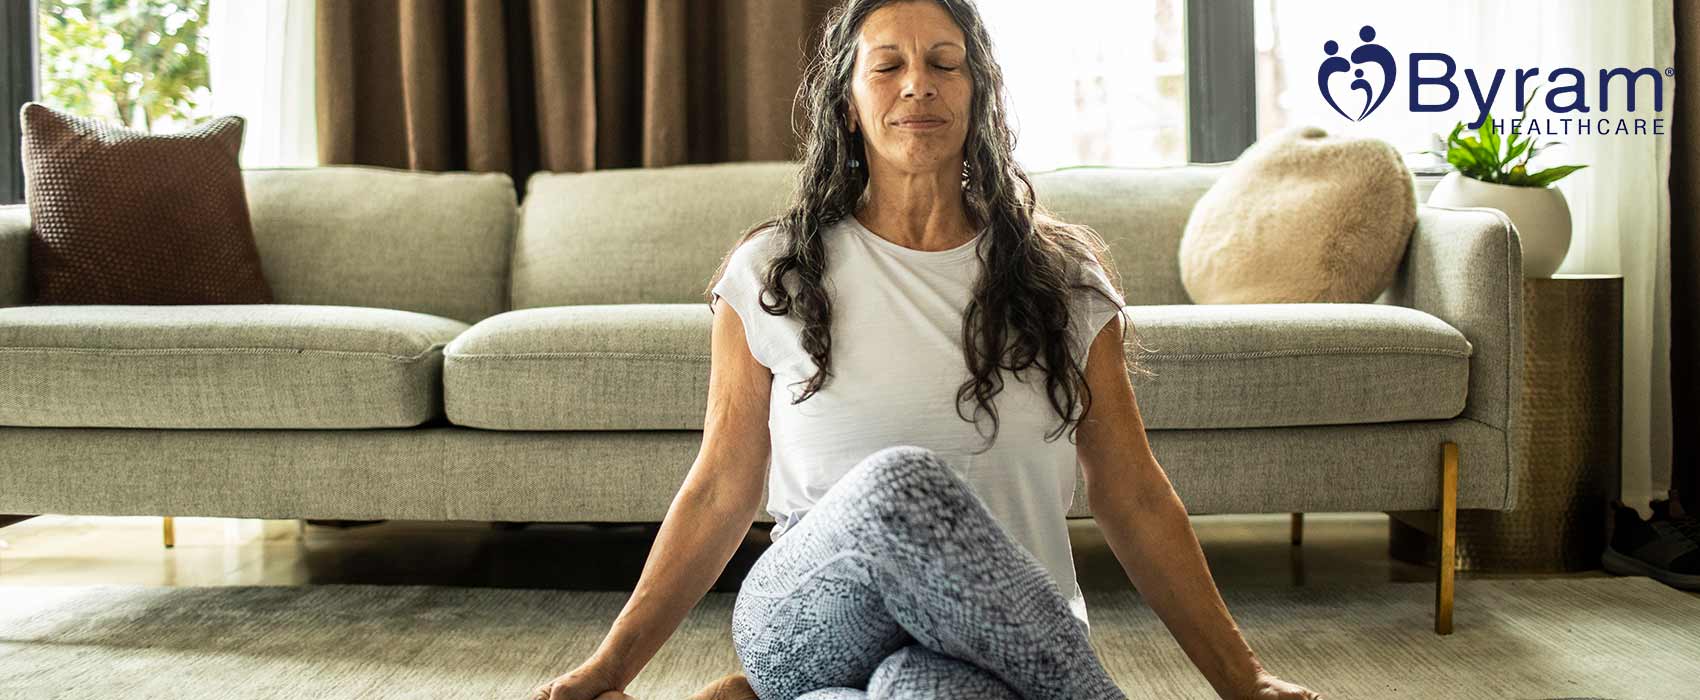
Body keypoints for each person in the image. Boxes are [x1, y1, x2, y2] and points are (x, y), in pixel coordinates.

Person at [531, 1, 1324, 698]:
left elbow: (1134, 494)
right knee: (904, 481)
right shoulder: (775, 271)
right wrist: (611, 667)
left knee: (921, 690)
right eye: (889, 66)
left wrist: (1245, 680)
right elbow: (718, 491)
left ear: (977, 97)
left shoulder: (1065, 282)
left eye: (946, 64)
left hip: (1001, 640)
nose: (919, 84)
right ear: (847, 103)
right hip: (808, 616)